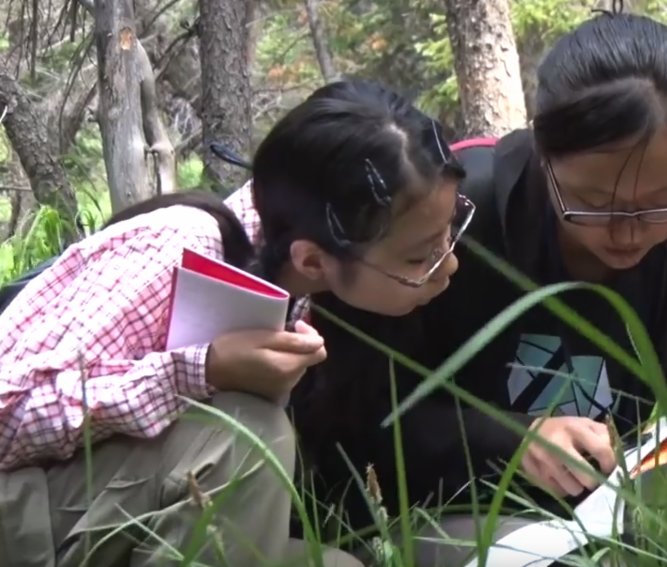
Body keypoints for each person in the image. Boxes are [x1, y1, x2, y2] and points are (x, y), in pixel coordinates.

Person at [299, 9, 667, 567]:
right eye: (593, 203)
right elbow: (348, 423)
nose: (627, 233)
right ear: (540, 152)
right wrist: (513, 442)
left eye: (663, 201)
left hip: (615, 521)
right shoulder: (447, 220)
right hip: (447, 509)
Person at [0, 80, 470, 567]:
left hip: (96, 503)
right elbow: (6, 413)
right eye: (421, 257)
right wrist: (200, 371)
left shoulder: (297, 280)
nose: (449, 264)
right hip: (20, 510)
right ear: (311, 261)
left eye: (451, 231)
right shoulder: (176, 248)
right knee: (248, 436)